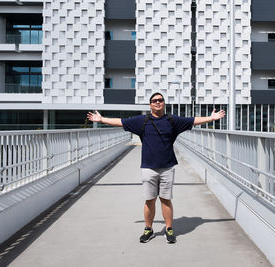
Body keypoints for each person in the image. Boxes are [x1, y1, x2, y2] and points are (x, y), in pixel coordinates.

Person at [87, 92, 226, 243]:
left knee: (166, 199)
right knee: (149, 200)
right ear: (150, 104)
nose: (158, 103)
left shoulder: (173, 120)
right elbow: (121, 122)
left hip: (167, 167)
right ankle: (149, 229)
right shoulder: (142, 121)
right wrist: (101, 119)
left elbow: (192, 120)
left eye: (160, 100)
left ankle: (169, 229)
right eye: (154, 101)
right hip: (148, 167)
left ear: (164, 103)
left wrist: (211, 118)